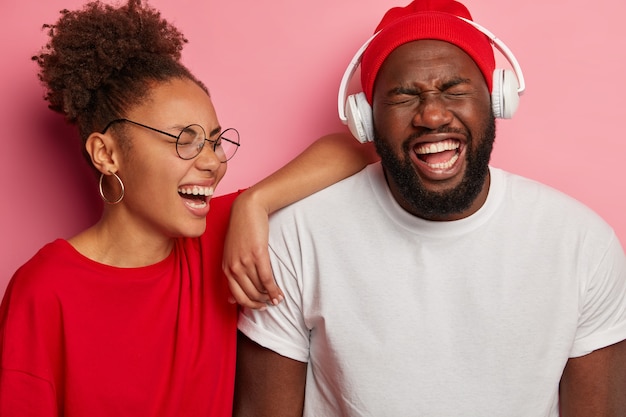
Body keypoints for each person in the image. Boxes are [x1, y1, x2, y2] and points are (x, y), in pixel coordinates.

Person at [232, 0, 626, 415]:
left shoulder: (582, 243)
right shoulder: (294, 239)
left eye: (455, 90)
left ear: (497, 100)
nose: (433, 115)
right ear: (365, 119)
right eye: (403, 97)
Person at [0, 0, 377, 415]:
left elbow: (354, 150)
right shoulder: (44, 290)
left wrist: (256, 201)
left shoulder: (215, 238)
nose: (213, 161)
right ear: (106, 154)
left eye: (215, 141)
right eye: (184, 140)